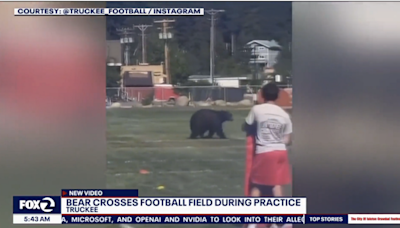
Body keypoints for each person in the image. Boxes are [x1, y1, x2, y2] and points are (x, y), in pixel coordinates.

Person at [243, 83, 292, 228]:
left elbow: (247, 124)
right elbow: (287, 139)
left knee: (257, 186)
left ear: (262, 95)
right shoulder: (284, 115)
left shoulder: (257, 109)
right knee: (276, 186)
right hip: (281, 152)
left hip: (266, 152)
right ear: (277, 96)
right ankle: (283, 221)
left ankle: (253, 221)